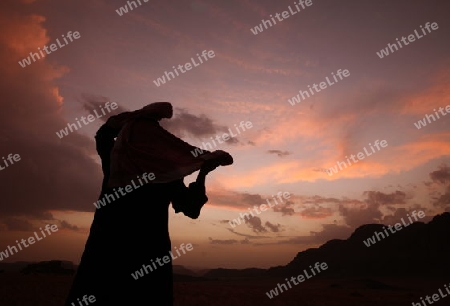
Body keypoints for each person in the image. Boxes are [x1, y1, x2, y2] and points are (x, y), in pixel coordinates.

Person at [64, 102, 233, 305]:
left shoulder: (116, 166)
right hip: (149, 255)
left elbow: (103, 134)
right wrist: (203, 172)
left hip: (106, 252)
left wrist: (135, 116)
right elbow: (191, 209)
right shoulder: (164, 177)